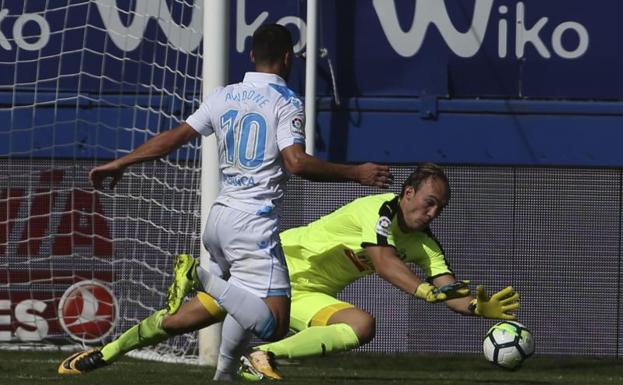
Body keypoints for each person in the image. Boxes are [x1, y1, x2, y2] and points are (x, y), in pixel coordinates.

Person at [57, 24, 393, 381]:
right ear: (287, 58)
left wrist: (122, 161)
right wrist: (355, 173)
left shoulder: (224, 95)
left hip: (219, 220)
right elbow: (296, 162)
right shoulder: (286, 101)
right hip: (252, 224)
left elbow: (175, 138)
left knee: (240, 301)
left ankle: (224, 376)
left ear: (251, 56)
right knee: (273, 324)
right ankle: (198, 276)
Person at [58, 163, 519, 380]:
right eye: (430, 202)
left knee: (362, 325)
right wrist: (427, 294)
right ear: (408, 192)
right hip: (272, 270)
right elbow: (383, 263)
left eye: (440, 208)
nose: (433, 213)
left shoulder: (425, 243)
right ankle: (106, 353)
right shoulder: (378, 210)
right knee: (178, 323)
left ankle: (264, 357)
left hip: (308, 295)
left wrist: (478, 308)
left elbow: (447, 287)